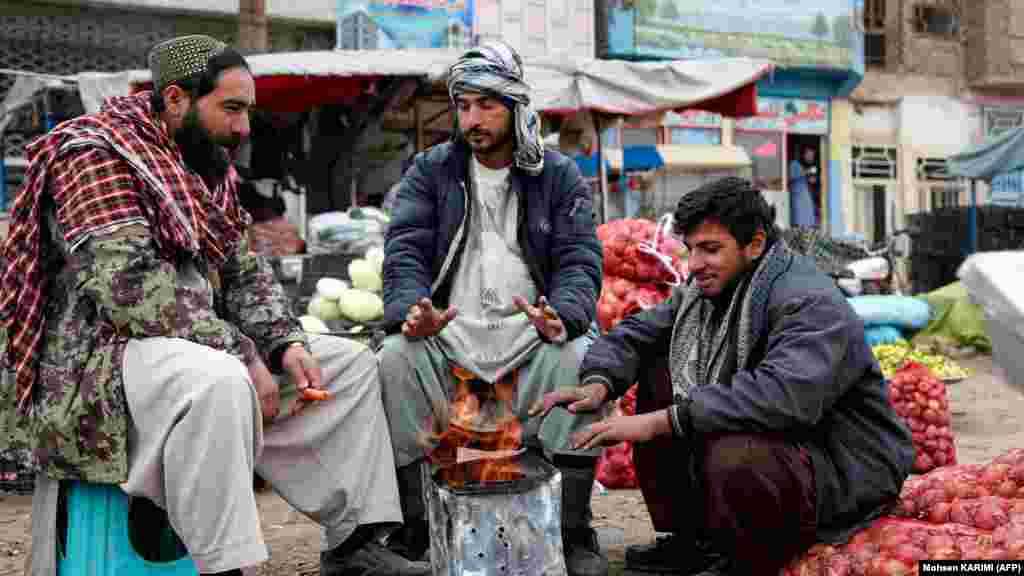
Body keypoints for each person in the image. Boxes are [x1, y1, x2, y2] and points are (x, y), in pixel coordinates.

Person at [0, 35, 428, 576]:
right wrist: (242, 354)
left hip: (192, 347)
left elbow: (242, 268)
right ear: (176, 98)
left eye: (247, 110)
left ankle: (353, 544)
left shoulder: (204, 162)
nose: (244, 126)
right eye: (232, 108)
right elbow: (131, 290)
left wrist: (284, 343)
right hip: (99, 361)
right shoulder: (94, 155)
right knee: (222, 380)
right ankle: (225, 566)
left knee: (347, 366)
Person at [539, 177, 914, 575]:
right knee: (662, 368)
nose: (695, 264)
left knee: (734, 447)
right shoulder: (705, 292)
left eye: (711, 249)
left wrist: (659, 422)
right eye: (692, 249)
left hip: (844, 466)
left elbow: (783, 396)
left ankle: (748, 559)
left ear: (754, 244)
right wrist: (599, 382)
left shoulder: (807, 301)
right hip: (786, 447)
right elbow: (638, 334)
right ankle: (692, 542)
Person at [378, 41, 608, 576]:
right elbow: (405, 251)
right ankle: (418, 527)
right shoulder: (431, 171)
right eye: (463, 106)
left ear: (516, 105)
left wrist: (565, 314)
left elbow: (580, 259)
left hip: (530, 336)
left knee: (579, 359)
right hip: (449, 336)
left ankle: (573, 531)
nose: (472, 120)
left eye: (487, 104)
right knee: (394, 358)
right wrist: (411, 311)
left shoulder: (557, 175)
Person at [788, 146, 820, 228]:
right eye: (809, 155)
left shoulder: (807, 166)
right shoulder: (794, 164)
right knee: (799, 222)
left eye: (812, 156)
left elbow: (810, 181)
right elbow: (791, 177)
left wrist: (812, 180)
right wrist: (807, 172)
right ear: (803, 155)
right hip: (798, 198)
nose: (811, 158)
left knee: (809, 222)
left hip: (807, 198)